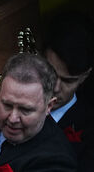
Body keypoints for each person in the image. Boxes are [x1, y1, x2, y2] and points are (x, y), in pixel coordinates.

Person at [0, 53, 77, 171]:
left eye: (25, 110)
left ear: (49, 106)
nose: (12, 119)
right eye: (7, 105)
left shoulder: (55, 161)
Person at [44, 11, 94, 171]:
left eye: (68, 80)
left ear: (84, 76)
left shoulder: (89, 134)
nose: (55, 88)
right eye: (50, 73)